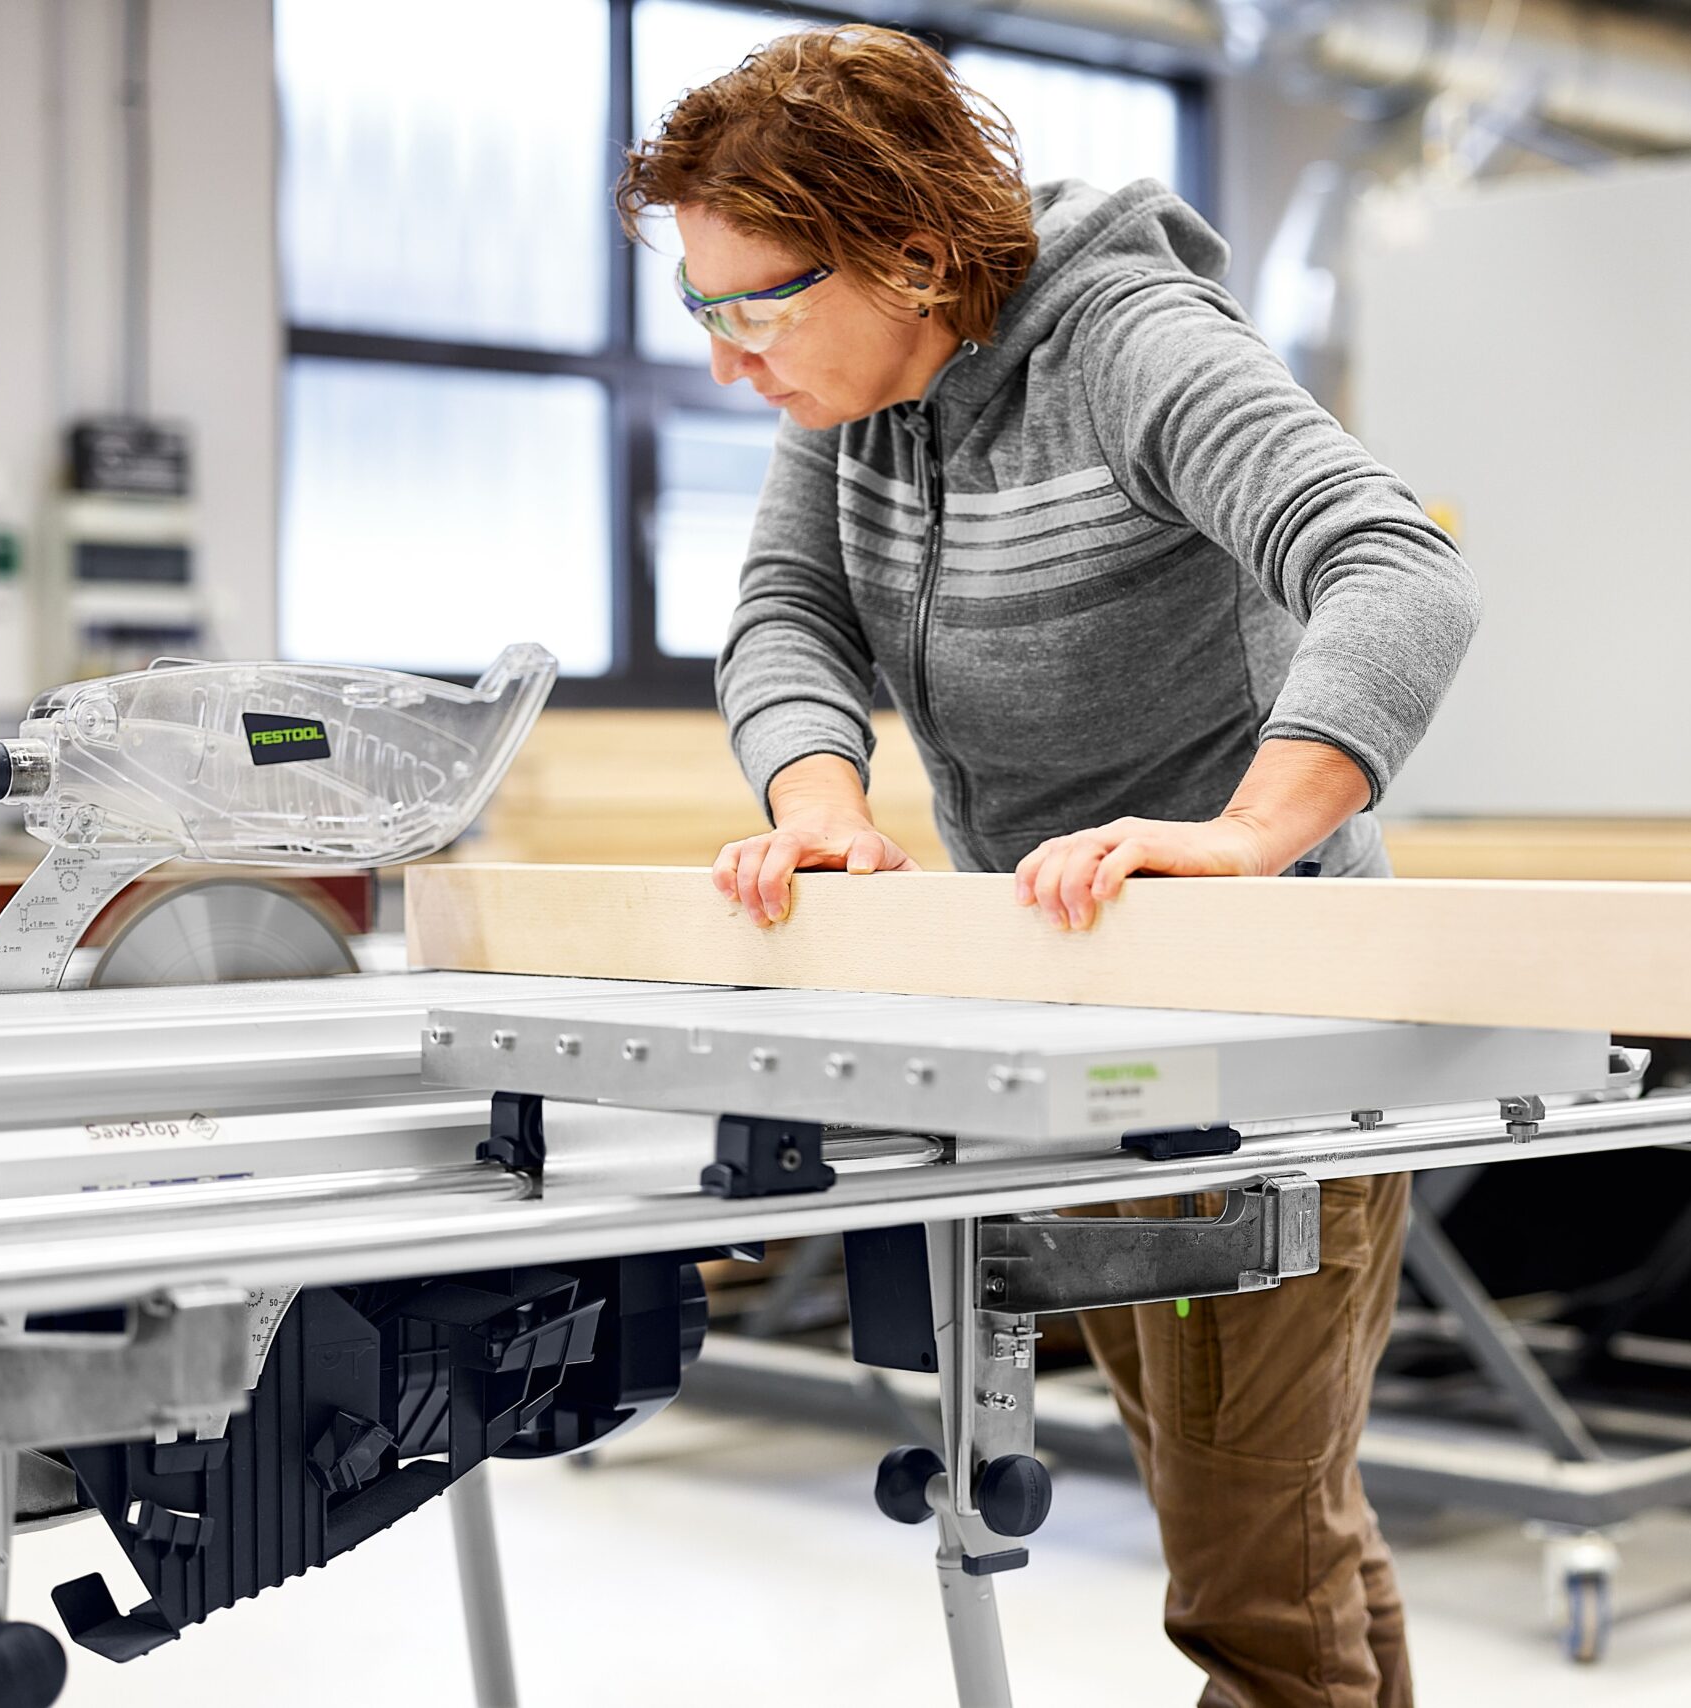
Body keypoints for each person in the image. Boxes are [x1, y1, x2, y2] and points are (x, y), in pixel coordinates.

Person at [618, 26, 1478, 1707]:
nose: (731, 358)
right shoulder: (857, 397)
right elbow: (788, 617)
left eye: (757, 303)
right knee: (1274, 1516)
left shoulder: (1134, 344)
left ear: (918, 254)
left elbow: (1398, 564)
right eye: (700, 309)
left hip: (1266, 1032)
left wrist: (1244, 834)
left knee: (1244, 1574)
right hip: (1084, 1007)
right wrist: (817, 798)